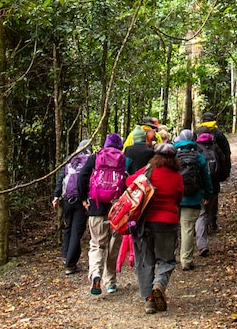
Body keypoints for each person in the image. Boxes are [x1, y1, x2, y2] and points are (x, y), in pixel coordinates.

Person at [127, 142, 183, 314]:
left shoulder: (148, 171)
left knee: (145, 261)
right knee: (167, 260)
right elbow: (179, 198)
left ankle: (149, 300)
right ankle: (159, 283)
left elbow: (129, 183)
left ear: (156, 156)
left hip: (144, 223)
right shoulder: (177, 176)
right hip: (168, 223)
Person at [77, 132, 125, 295]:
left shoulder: (95, 157)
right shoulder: (123, 159)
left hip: (96, 208)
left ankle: (95, 273)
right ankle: (110, 282)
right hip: (117, 210)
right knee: (113, 246)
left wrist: (83, 198)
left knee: (97, 243)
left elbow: (82, 177)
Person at [173, 129, 212, 271]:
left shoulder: (173, 156)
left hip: (175, 198)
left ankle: (171, 256)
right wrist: (207, 193)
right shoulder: (199, 156)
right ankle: (186, 260)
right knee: (187, 229)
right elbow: (206, 177)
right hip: (193, 197)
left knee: (173, 228)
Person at [52, 139, 91, 274]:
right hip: (81, 201)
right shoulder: (90, 160)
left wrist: (56, 196)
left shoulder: (70, 159)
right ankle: (70, 264)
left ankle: (65, 255)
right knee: (77, 231)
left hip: (67, 200)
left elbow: (61, 178)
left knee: (68, 228)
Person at [195, 112, 231, 236]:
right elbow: (226, 152)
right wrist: (226, 171)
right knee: (213, 195)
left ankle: (199, 225)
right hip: (215, 172)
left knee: (200, 197)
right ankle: (212, 222)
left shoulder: (197, 132)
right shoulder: (218, 133)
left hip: (199, 173)